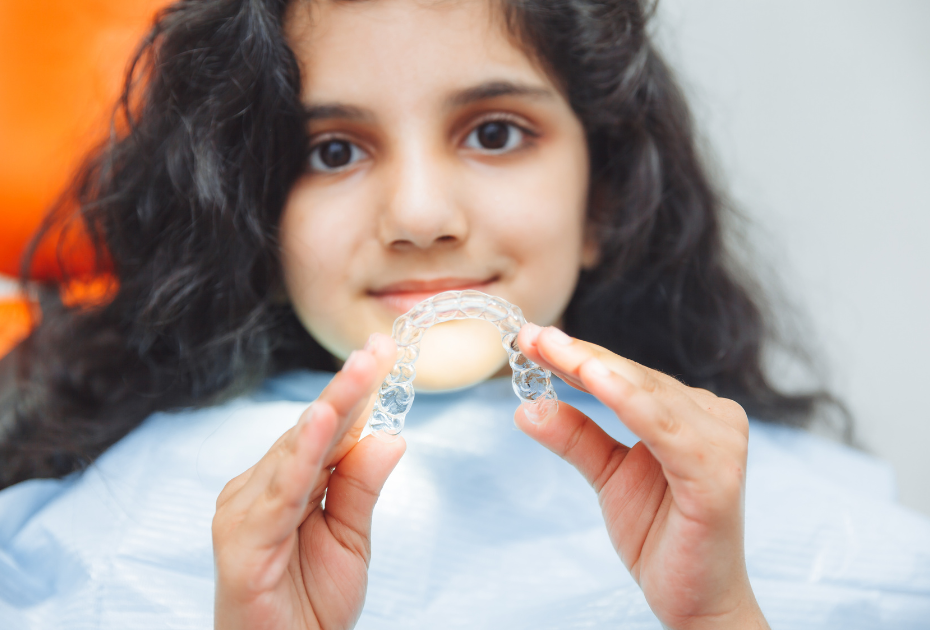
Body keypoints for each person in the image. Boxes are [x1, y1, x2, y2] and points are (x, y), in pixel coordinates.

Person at [1, 0, 928, 628]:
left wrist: (717, 614)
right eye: (332, 151)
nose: (419, 216)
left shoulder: (792, 515)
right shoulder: (100, 530)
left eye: (494, 133)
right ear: (252, 212)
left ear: (604, 198)